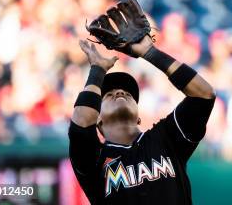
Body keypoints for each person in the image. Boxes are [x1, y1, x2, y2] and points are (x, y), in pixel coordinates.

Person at [68, 17, 216, 203]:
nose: (120, 92)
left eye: (128, 93)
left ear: (138, 116)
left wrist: (150, 52)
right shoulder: (94, 159)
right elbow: (81, 121)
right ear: (98, 120)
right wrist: (97, 70)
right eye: (108, 94)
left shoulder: (165, 137)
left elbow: (203, 94)